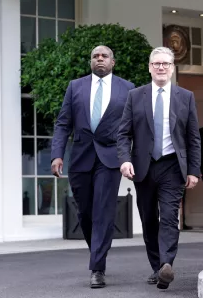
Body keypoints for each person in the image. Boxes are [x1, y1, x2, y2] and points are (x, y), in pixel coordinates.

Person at [51, 45, 135, 288]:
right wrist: (57, 154)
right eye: (95, 56)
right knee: (85, 213)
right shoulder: (75, 87)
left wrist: (131, 158)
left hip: (110, 159)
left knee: (103, 211)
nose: (100, 59)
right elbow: (63, 123)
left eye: (104, 56)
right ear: (91, 61)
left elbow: (132, 127)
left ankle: (97, 267)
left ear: (113, 62)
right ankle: (97, 252)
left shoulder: (127, 89)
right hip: (81, 157)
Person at [117, 47, 201, 290]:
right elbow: (123, 133)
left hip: (173, 166)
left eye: (165, 63)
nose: (161, 67)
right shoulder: (135, 96)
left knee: (169, 216)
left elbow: (193, 137)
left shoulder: (185, 97)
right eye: (156, 63)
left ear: (172, 68)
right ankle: (157, 266)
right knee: (148, 219)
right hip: (143, 168)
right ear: (150, 67)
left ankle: (166, 265)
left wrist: (193, 170)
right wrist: (124, 160)